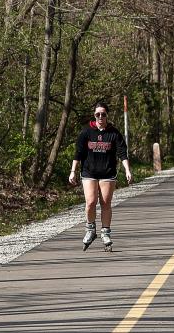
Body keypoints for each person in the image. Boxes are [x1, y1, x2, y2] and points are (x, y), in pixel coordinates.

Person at [69, 102, 132, 250]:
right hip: (89, 172)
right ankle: (90, 229)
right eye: (98, 114)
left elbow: (122, 153)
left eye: (103, 114)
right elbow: (78, 153)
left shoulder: (114, 133)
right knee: (90, 202)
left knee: (105, 203)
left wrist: (128, 170)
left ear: (107, 115)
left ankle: (105, 232)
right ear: (94, 116)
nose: (100, 117)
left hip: (107, 173)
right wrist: (73, 171)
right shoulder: (86, 132)